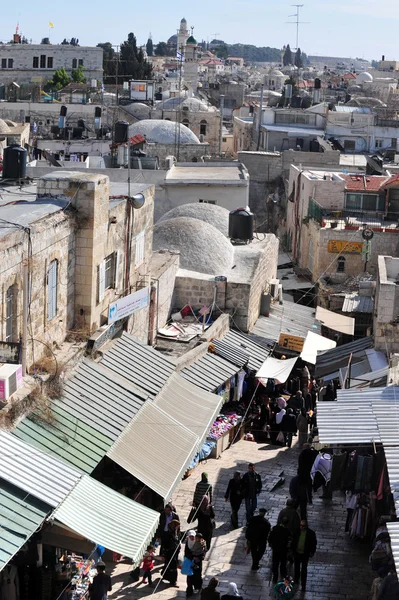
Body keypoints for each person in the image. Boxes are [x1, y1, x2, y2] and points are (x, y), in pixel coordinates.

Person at [292, 519, 317, 592]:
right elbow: (293, 540)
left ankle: (303, 584)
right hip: (297, 553)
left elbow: (313, 543)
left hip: (305, 554)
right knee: (296, 568)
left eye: (303, 526)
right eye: (300, 525)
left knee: (304, 569)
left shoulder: (311, 533)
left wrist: (312, 552)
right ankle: (296, 581)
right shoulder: (297, 531)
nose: (301, 527)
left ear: (306, 526)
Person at [269, 517, 291, 584]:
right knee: (283, 564)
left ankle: (275, 578)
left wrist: (271, 545)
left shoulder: (275, 528)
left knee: (275, 564)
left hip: (275, 550)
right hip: (283, 551)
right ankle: (283, 577)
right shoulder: (287, 531)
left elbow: (270, 538)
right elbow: (289, 542)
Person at [185, 531, 207, 597]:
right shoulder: (188, 543)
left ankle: (197, 587)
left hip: (197, 563)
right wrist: (191, 557)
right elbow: (186, 553)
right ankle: (189, 591)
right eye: (190, 536)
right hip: (190, 562)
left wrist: (198, 558)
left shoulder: (202, 544)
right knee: (189, 577)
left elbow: (203, 554)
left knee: (197, 576)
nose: (192, 538)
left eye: (193, 537)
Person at [161, 520, 181, 587]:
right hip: (170, 552)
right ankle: (172, 581)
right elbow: (165, 544)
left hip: (174, 552)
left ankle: (165, 575)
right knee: (173, 566)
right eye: (177, 526)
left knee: (169, 565)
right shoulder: (168, 534)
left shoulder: (175, 532)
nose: (178, 528)